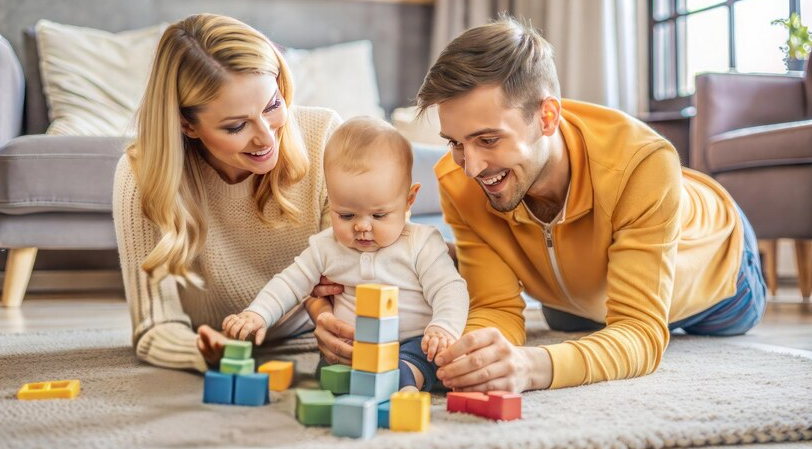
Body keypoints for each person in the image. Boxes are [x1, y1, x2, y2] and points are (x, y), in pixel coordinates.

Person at [414, 17, 767, 392]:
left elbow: (640, 333)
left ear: (546, 117)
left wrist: (532, 367)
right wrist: (468, 356)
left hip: (720, 267)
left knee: (661, 325)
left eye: (487, 140)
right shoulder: (458, 180)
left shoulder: (641, 163)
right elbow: (497, 307)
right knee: (570, 322)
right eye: (455, 143)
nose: (470, 168)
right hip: (580, 294)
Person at [113, 14, 348, 372]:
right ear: (186, 124)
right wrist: (205, 351)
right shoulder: (141, 173)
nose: (267, 138)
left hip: (307, 330)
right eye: (236, 126)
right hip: (210, 339)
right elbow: (155, 326)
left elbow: (351, 276)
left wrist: (334, 323)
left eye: (272, 105)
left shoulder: (326, 136)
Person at [222, 117, 468, 391]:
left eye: (379, 215)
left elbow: (449, 288)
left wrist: (443, 328)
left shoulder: (422, 243)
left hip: (411, 341)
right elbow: (289, 282)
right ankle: (353, 383)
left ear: (409, 200)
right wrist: (256, 314)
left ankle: (402, 380)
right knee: (332, 367)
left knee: (426, 357)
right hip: (353, 345)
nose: (362, 226)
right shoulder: (326, 246)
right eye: (346, 214)